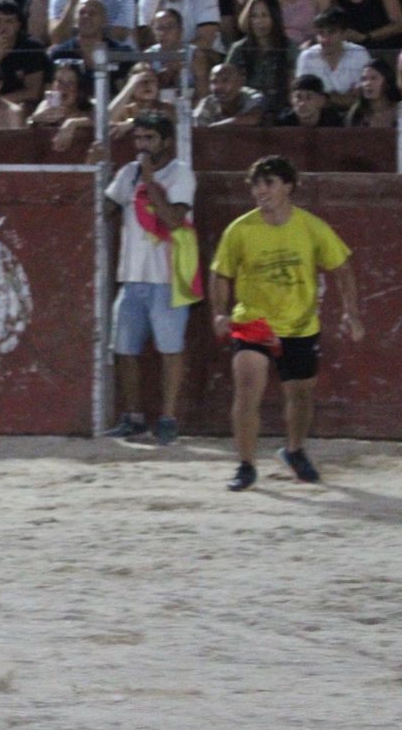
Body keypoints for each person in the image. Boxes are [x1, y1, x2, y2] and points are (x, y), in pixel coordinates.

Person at [209, 154, 363, 490]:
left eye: (269, 183)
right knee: (248, 389)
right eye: (256, 184)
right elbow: (220, 274)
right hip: (253, 322)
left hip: (299, 324)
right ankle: (246, 465)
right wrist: (219, 312)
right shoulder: (240, 229)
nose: (260, 190)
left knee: (301, 395)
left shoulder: (311, 226)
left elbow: (342, 269)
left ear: (288, 187)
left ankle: (294, 451)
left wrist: (352, 312)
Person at [98, 111, 198, 444]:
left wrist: (150, 179)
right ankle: (135, 416)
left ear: (166, 141)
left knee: (170, 349)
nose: (141, 145)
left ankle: (168, 417)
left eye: (149, 138)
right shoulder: (129, 173)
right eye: (138, 138)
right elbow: (105, 210)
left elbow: (172, 219)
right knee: (123, 349)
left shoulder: (180, 174)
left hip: (168, 276)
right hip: (132, 274)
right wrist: (94, 170)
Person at [295, 7, 370, 109]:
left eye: (331, 32)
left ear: (344, 33)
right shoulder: (307, 57)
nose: (325, 39)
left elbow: (363, 96)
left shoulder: (360, 54)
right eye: (321, 33)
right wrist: (341, 99)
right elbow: (304, 98)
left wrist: (324, 96)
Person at [193, 59, 265, 124]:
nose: (218, 87)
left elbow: (252, 119)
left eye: (225, 81)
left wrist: (213, 128)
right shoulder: (208, 104)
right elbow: (199, 130)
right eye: (214, 82)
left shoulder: (252, 96)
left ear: (240, 82)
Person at [345, 54, 401, 123]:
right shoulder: (357, 113)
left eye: (374, 78)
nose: (367, 83)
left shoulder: (399, 111)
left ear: (388, 81)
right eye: (364, 79)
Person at [273, 71, 344, 124]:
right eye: (298, 97)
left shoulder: (333, 123)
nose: (302, 104)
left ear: (322, 101)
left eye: (309, 97)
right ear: (291, 99)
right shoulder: (283, 122)